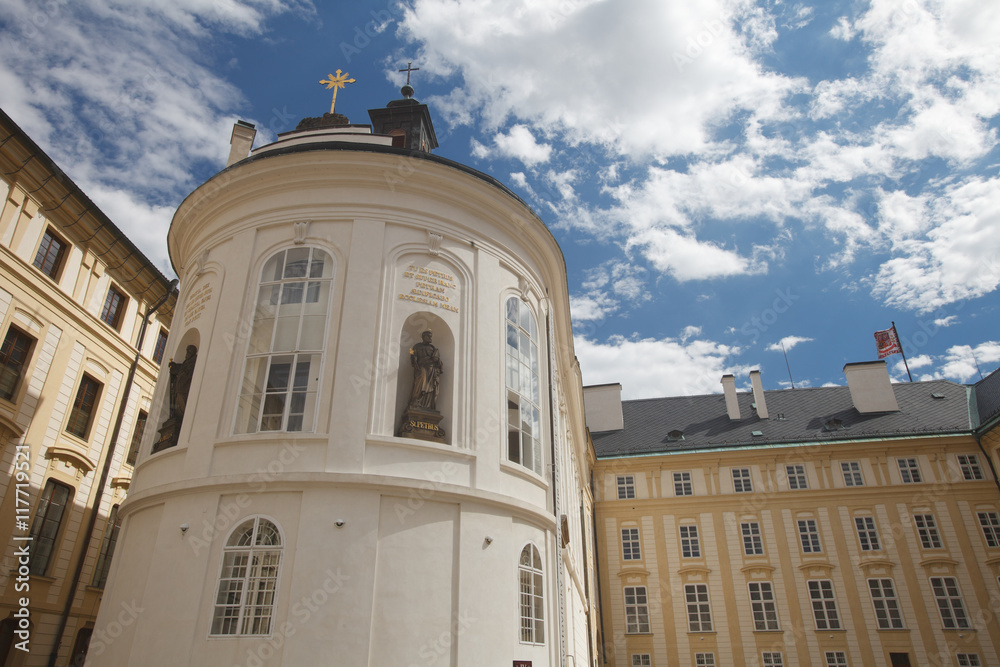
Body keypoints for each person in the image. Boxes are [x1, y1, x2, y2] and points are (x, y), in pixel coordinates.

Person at [408, 330, 443, 410]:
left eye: (431, 336)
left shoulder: (433, 348)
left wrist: (437, 360)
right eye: (428, 336)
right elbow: (414, 356)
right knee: (421, 382)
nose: (430, 338)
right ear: (424, 337)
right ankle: (416, 401)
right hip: (421, 367)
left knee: (430, 387)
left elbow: (438, 360)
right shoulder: (417, 346)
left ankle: (427, 405)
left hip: (431, 369)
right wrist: (413, 358)